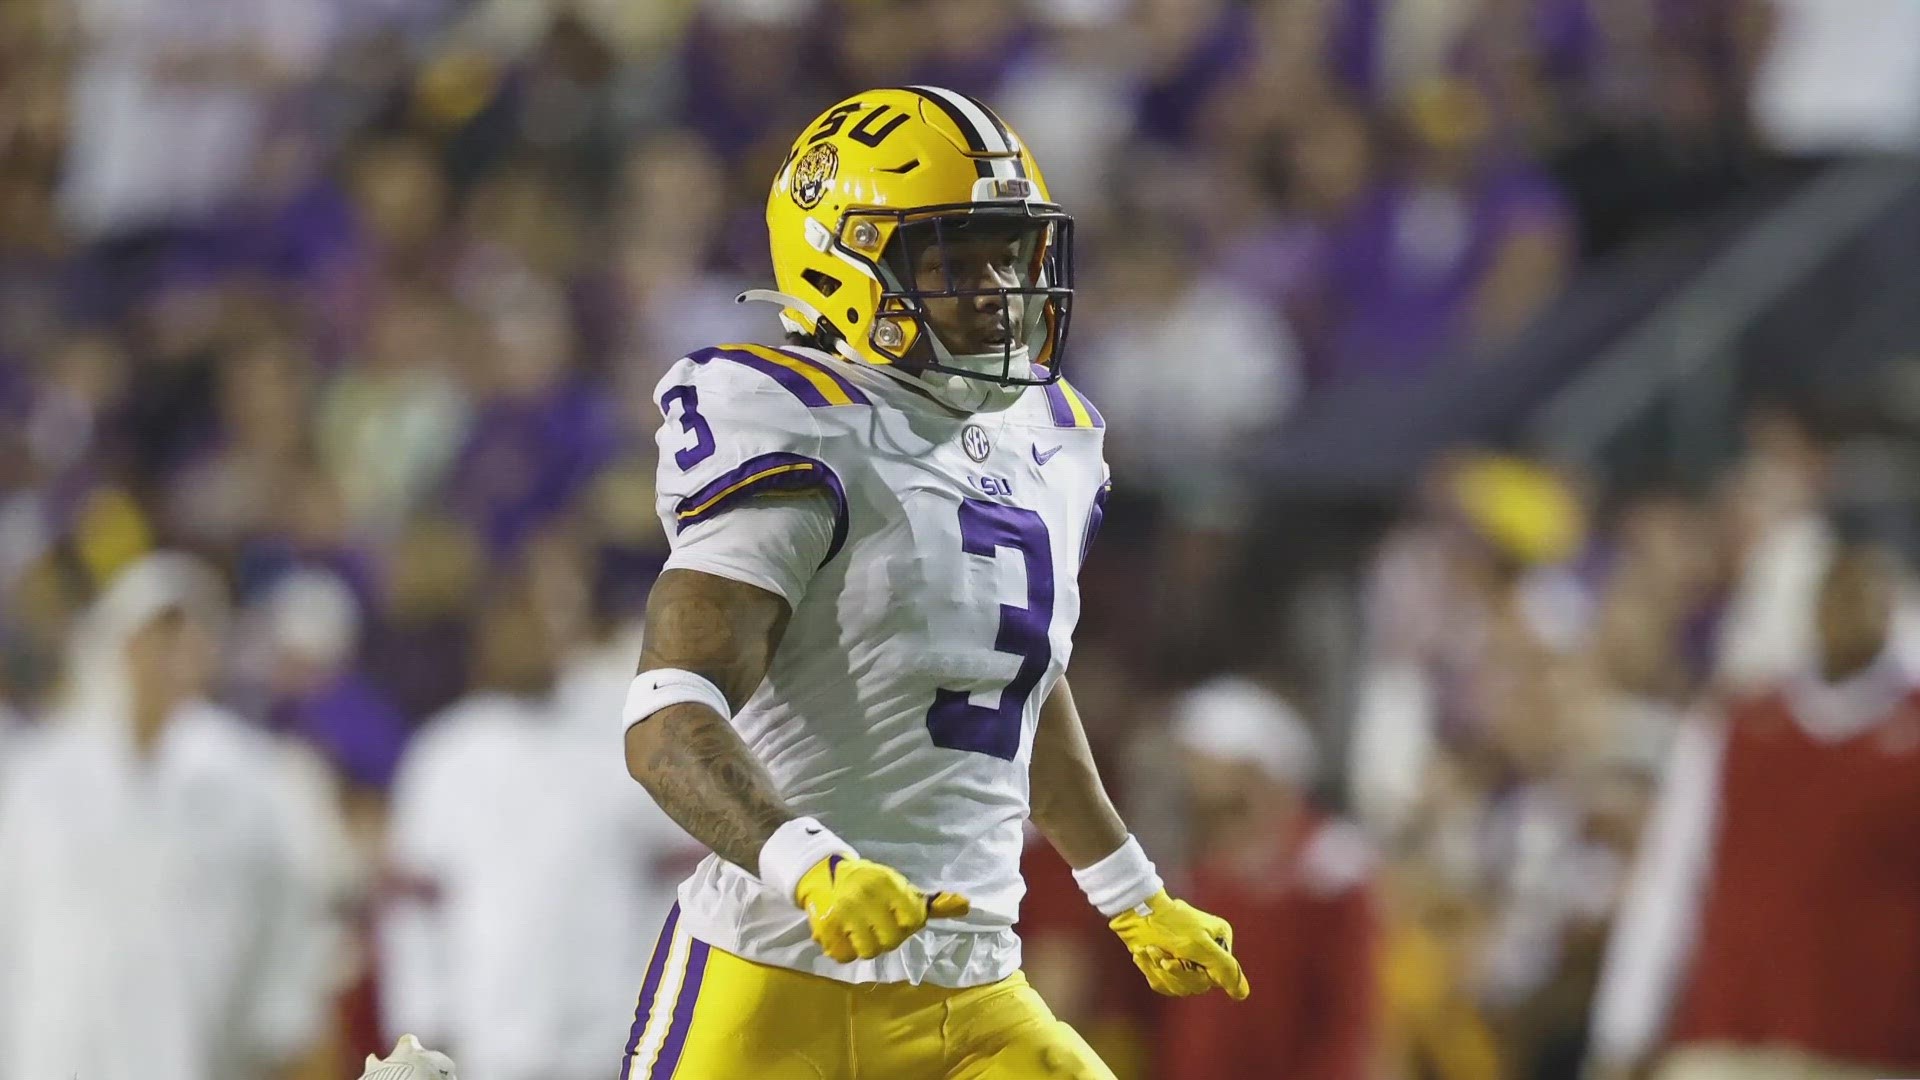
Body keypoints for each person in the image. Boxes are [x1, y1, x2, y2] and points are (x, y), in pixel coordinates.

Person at [611, 86, 1249, 1078]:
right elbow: (666, 712)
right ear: (844, 266)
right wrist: (810, 867)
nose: (998, 286)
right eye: (953, 258)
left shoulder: (1052, 438)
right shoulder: (795, 418)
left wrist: (1130, 892)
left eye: (1008, 251)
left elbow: (1014, 679)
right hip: (774, 984)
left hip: (977, 989)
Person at [1589, 529, 1920, 1080]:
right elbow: (1670, 881)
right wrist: (1623, 1030)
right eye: (1839, 592)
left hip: (1875, 1052)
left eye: (1869, 592)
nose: (1852, 611)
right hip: (1732, 1045)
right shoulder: (1734, 728)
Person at [0, 553, 344, 1080]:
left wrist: (278, 1030)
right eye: (155, 635)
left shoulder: (251, 780)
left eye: (186, 636)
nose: (168, 656)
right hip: (57, 1049)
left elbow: (288, 918)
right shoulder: (43, 777)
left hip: (197, 1049)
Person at [378, 581, 697, 1080]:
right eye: (516, 629)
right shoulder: (445, 753)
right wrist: (421, 1020)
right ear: (486, 640)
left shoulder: (620, 745)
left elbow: (676, 887)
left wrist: (659, 997)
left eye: (546, 627)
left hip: (609, 1029)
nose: (531, 641)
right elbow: (413, 906)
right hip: (485, 1032)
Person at [1159, 677, 1380, 1080]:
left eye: (1204, 760)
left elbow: (1347, 1017)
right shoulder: (1195, 870)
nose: (1191, 776)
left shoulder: (1330, 872)